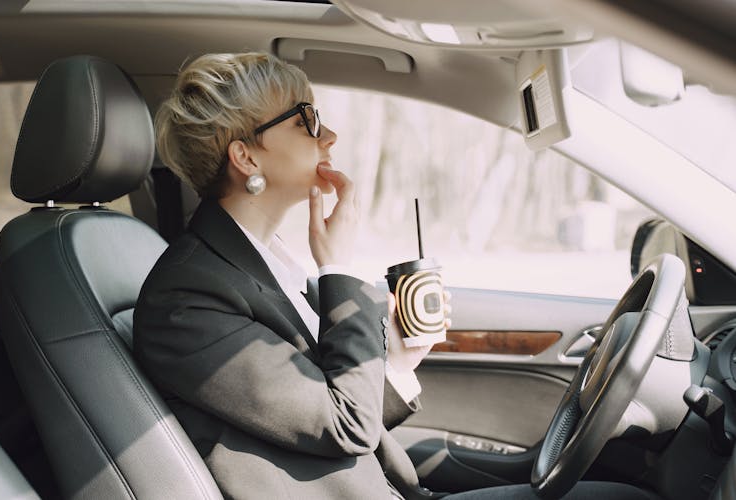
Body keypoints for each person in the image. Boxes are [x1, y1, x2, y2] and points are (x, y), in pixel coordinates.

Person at [133, 52, 657, 500]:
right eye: (306, 120)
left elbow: (326, 407)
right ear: (245, 156)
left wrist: (401, 361)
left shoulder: (264, 260)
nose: (329, 134)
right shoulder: (188, 295)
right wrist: (337, 266)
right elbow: (343, 425)